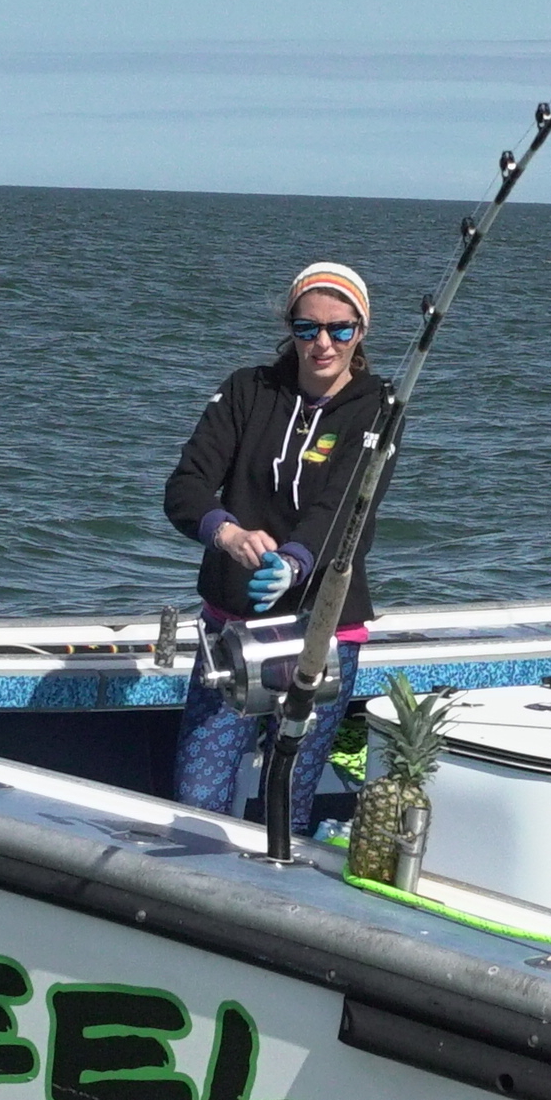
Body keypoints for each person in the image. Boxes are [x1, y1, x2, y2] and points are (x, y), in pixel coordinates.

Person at [163, 261, 389, 832]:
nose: (323, 343)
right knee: (198, 790)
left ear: (361, 331)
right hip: (231, 626)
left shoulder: (379, 406)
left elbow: (345, 506)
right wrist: (227, 533)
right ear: (289, 328)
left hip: (321, 631)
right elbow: (185, 486)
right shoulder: (247, 390)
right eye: (307, 327)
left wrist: (296, 561)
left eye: (340, 329)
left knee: (288, 794)